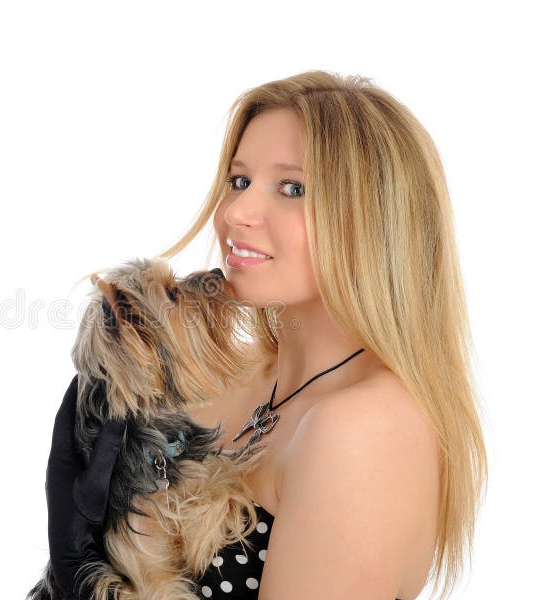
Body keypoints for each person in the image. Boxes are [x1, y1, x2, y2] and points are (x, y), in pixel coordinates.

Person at [43, 70, 488, 600]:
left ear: (372, 222)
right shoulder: (226, 381)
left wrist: (84, 582)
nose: (236, 212)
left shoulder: (364, 430)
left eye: (293, 188)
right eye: (238, 181)